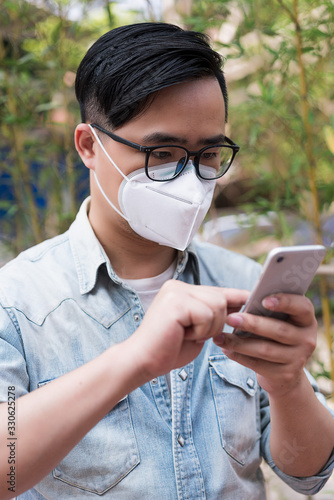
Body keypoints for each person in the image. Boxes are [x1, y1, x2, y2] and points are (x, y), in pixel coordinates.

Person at [0, 22, 333, 500]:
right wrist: (133, 361)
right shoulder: (16, 305)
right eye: (162, 153)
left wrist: (287, 384)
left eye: (209, 154)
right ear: (89, 146)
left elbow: (308, 474)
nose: (190, 180)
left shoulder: (242, 282)